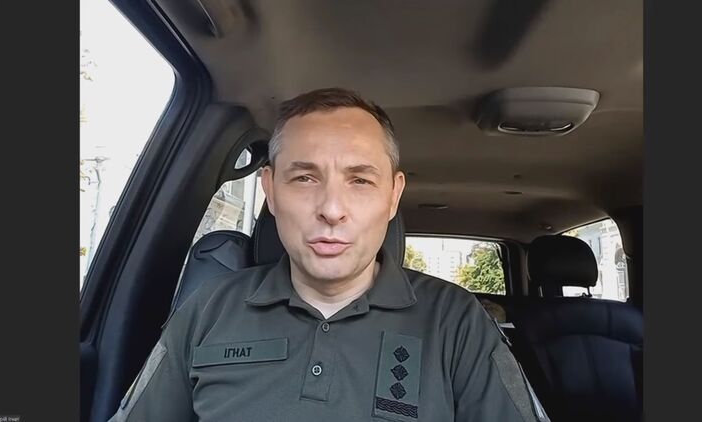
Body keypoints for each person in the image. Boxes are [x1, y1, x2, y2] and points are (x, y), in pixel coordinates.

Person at [108, 88, 548, 421]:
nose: (332, 210)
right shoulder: (206, 310)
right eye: (304, 178)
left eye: (360, 181)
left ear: (393, 196)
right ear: (270, 190)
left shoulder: (457, 321)